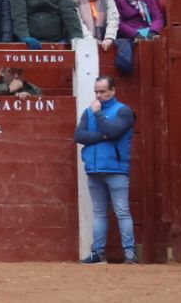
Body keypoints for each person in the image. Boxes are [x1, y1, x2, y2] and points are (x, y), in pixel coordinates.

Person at [76, 75, 137, 264]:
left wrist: (99, 115)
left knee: (121, 211)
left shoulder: (123, 111)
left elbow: (113, 131)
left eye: (102, 91)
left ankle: (129, 253)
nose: (99, 95)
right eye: (96, 91)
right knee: (100, 213)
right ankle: (98, 252)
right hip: (95, 169)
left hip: (116, 169)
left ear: (113, 91)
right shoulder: (89, 111)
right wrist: (102, 137)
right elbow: (79, 135)